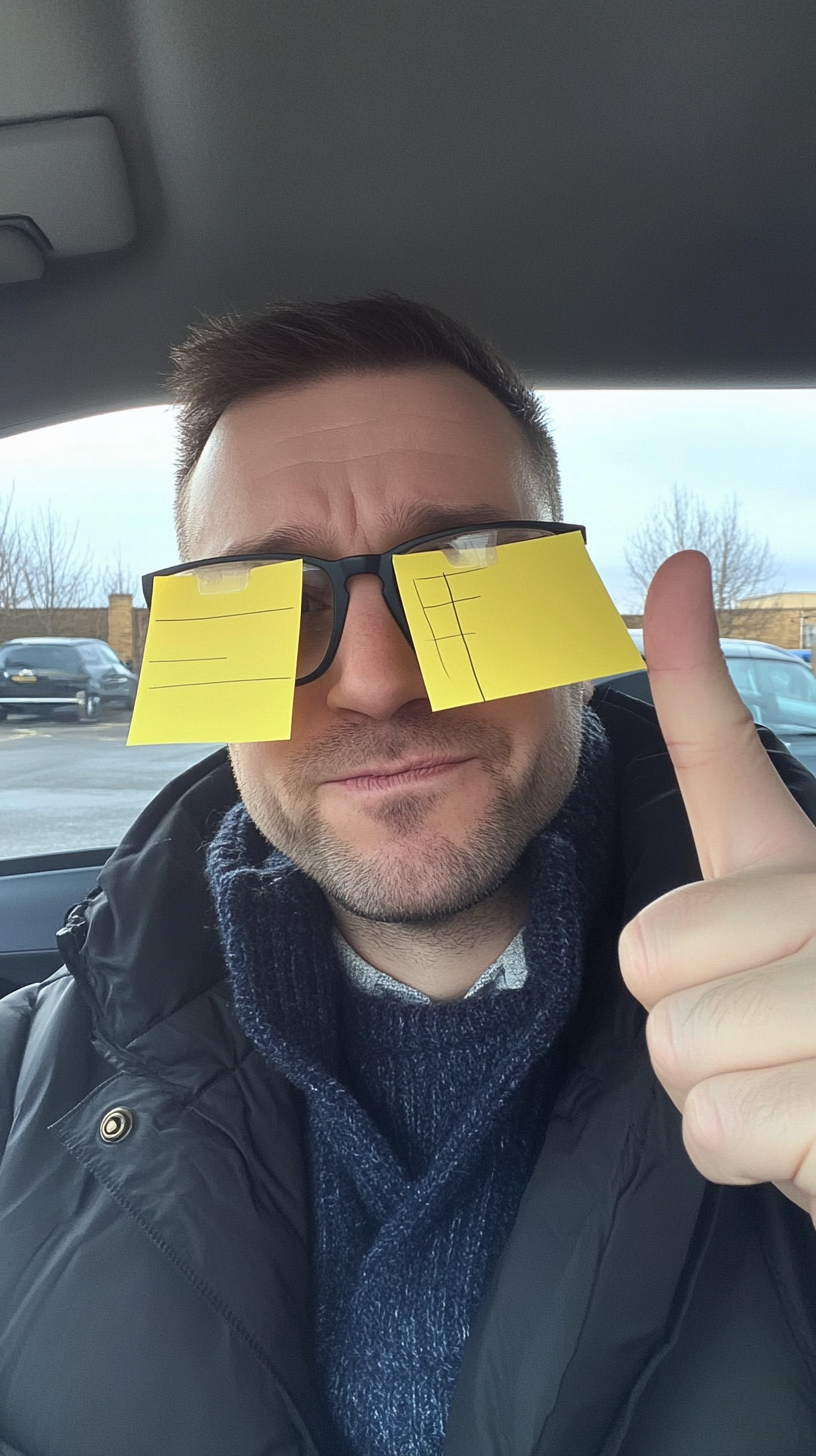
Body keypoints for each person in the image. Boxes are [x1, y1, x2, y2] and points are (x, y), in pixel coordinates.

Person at [1, 296, 815, 1456]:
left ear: (582, 639)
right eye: (269, 607)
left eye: (472, 574)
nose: (381, 682)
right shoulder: (16, 1099)